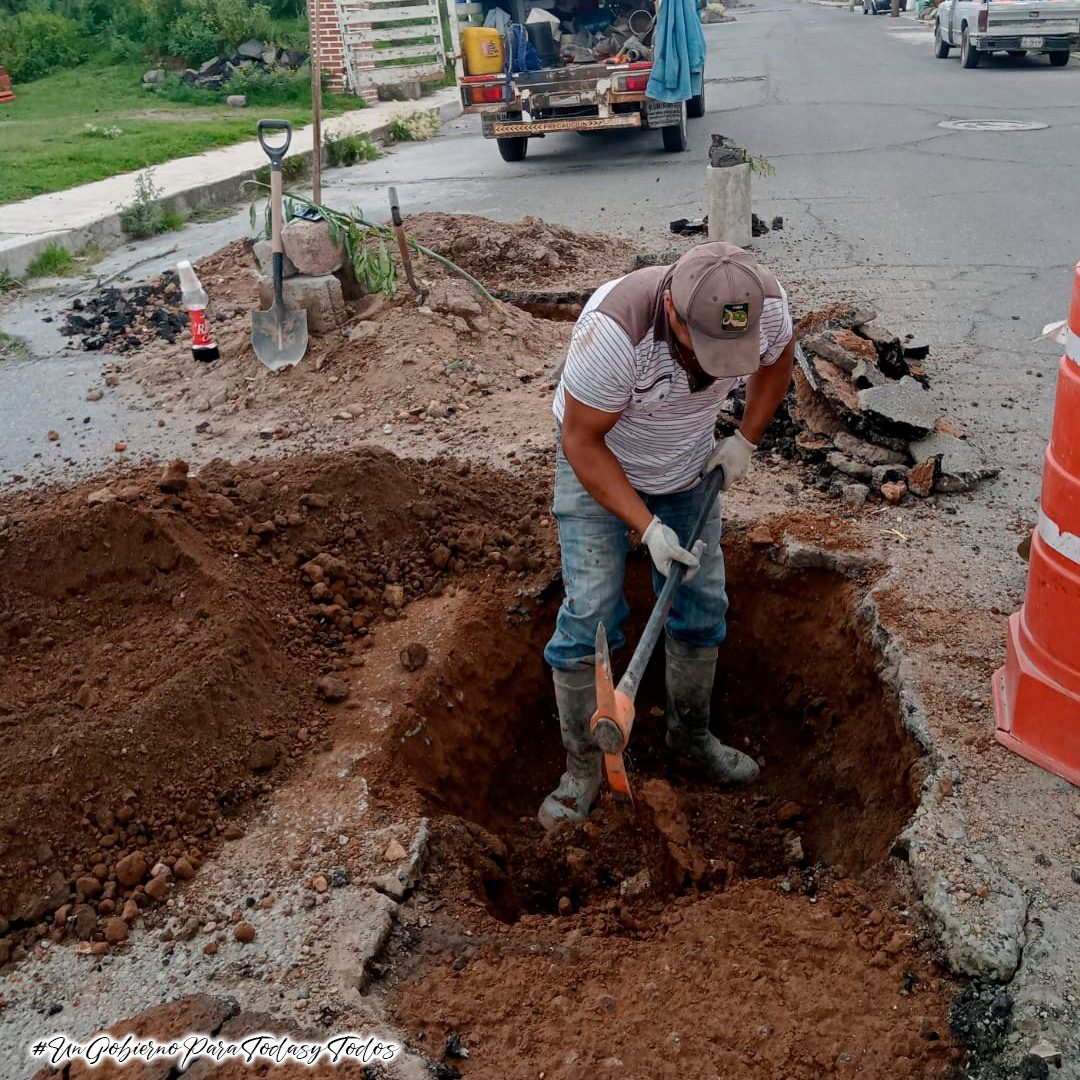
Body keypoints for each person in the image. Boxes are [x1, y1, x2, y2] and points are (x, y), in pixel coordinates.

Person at [539, 241, 795, 829]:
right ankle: (582, 770)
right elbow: (581, 441)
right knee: (592, 611)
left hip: (685, 467)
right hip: (602, 464)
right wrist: (647, 527)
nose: (715, 370)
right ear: (676, 315)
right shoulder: (614, 333)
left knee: (702, 601)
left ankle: (691, 738)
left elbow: (778, 360)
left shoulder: (767, 305)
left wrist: (745, 441)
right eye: (705, 350)